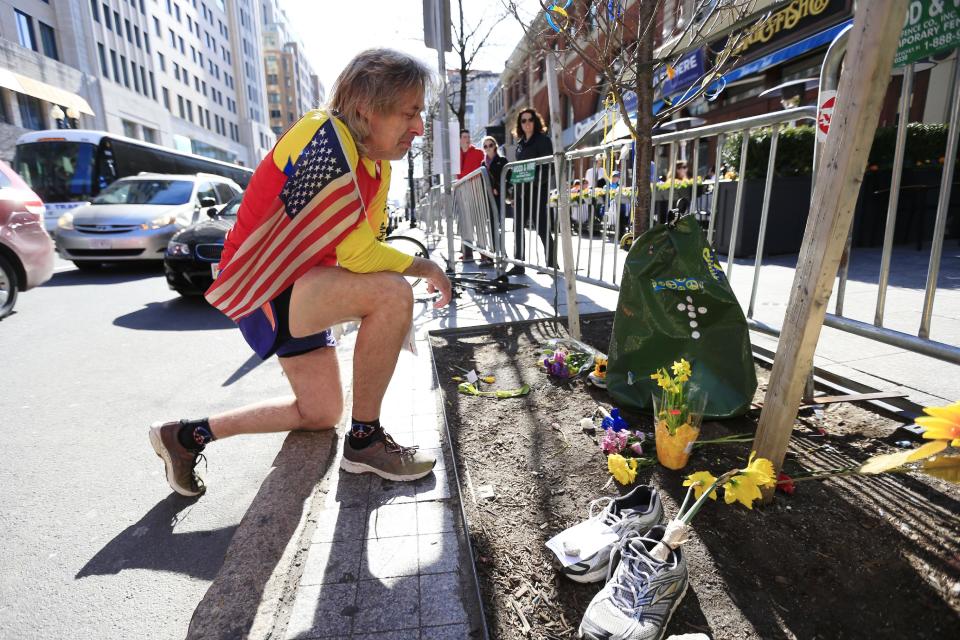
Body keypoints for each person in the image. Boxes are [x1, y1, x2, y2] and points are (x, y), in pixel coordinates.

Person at [148, 49, 452, 497]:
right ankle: (365, 443)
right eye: (409, 113)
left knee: (320, 412)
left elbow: (360, 250)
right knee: (390, 294)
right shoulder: (324, 137)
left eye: (419, 114)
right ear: (367, 108)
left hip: (301, 286)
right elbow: (359, 256)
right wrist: (423, 267)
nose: (419, 127)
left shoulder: (376, 165)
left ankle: (185, 436)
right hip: (265, 286)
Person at [511, 107, 555, 275]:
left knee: (542, 227)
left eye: (530, 120)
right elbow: (518, 170)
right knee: (518, 227)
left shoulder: (543, 140)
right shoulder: (520, 145)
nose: (527, 123)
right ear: (520, 124)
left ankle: (551, 264)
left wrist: (535, 181)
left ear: (535, 122)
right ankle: (518, 264)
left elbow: (548, 166)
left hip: (537, 191)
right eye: (523, 121)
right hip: (522, 192)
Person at [457, 130, 484, 261]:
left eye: (468, 136)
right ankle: (467, 253)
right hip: (463, 194)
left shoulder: (478, 153)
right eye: (464, 137)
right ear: (459, 140)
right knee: (465, 225)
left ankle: (484, 254)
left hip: (476, 192)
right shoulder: (456, 155)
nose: (467, 139)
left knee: (479, 224)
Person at [480, 135, 507, 267]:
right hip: (488, 199)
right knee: (491, 227)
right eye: (485, 146)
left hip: (499, 197)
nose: (488, 148)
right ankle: (494, 254)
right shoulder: (483, 164)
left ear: (495, 146)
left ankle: (503, 253)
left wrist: (498, 189)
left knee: (500, 226)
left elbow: (508, 177)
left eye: (490, 145)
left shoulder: (502, 160)